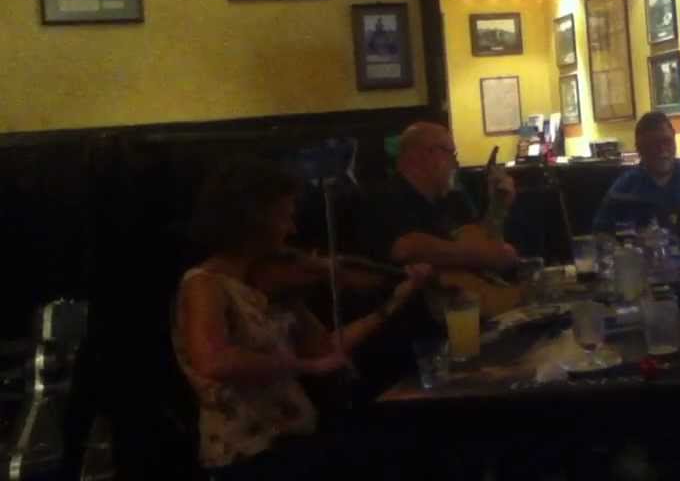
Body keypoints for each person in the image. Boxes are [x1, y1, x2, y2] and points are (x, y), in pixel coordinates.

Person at [171, 157, 432, 480]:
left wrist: (393, 303)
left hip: (291, 442)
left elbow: (325, 350)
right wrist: (304, 366)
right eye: (284, 217)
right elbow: (213, 360)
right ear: (252, 219)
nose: (292, 229)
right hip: (246, 455)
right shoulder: (203, 283)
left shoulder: (267, 287)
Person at [360, 121, 519, 271]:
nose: (455, 163)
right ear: (425, 154)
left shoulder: (451, 200)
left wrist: (498, 208)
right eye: (451, 154)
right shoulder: (382, 198)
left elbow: (479, 241)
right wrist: (488, 256)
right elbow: (406, 248)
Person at [592, 112, 680, 234]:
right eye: (653, 144)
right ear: (639, 149)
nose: (662, 150)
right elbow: (600, 235)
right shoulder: (624, 189)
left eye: (667, 141)